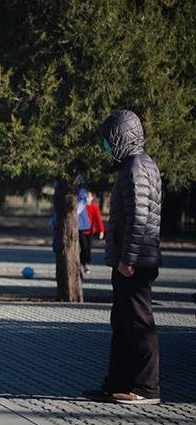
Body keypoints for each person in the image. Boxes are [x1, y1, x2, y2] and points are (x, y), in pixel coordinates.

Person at [84, 109, 162, 405]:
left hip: (136, 261)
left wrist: (128, 259)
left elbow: (139, 219)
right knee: (122, 322)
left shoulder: (136, 168)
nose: (105, 146)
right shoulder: (136, 165)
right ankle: (116, 383)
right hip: (131, 259)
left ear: (121, 137)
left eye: (108, 140)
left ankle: (146, 387)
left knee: (139, 323)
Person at [79, 191, 105, 274]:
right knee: (83, 246)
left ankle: (86, 263)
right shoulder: (81, 207)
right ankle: (83, 263)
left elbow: (98, 219)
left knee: (88, 248)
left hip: (90, 232)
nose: (87, 197)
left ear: (92, 197)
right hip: (81, 231)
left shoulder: (94, 207)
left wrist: (101, 230)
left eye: (89, 195)